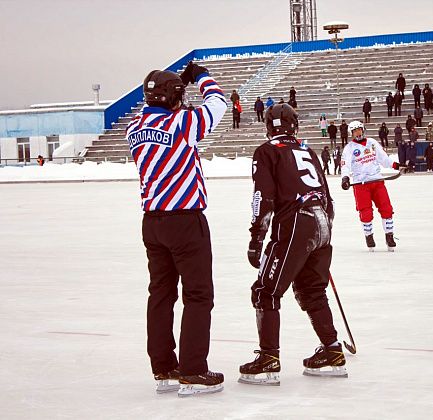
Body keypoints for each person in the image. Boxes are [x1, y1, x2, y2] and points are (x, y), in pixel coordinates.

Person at [126, 62, 227, 396]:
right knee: (198, 295)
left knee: (161, 294)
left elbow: (156, 110)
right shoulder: (183, 122)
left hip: (152, 221)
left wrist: (172, 86)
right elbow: (218, 104)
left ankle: (164, 368)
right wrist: (201, 78)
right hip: (185, 218)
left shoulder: (135, 126)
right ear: (173, 97)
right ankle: (193, 370)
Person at [241, 103, 347, 386]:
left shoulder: (266, 151)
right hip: (322, 220)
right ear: (294, 125)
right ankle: (332, 351)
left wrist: (256, 237)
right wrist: (321, 234)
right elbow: (326, 193)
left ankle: (268, 358)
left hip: (296, 224)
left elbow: (263, 198)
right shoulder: (307, 150)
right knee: (312, 290)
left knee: (266, 291)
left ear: (268, 126)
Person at [341, 120, 404, 251]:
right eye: (354, 131)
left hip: (377, 182)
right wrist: (345, 178)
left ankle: (389, 236)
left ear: (363, 130)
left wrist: (397, 165)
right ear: (351, 134)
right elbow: (345, 165)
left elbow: (384, 160)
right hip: (361, 184)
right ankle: (369, 236)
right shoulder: (349, 148)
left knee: (386, 208)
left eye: (359, 130)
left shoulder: (372, 143)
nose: (358, 133)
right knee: (366, 212)